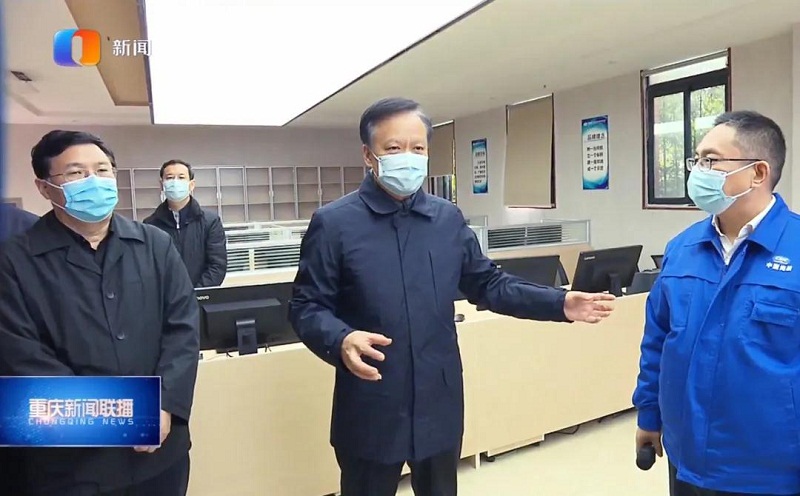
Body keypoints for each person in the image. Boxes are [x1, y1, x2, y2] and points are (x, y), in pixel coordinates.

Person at [289, 97, 617, 496]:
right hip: (371, 402)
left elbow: (489, 284)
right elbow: (306, 306)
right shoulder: (335, 224)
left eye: (418, 148)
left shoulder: (446, 219)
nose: (408, 158)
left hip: (438, 400)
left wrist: (558, 303)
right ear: (368, 155)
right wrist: (340, 339)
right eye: (393, 148)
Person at [0, 130, 200, 496]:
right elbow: (20, 355)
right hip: (70, 464)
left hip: (160, 453)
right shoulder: (14, 260)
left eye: (103, 170)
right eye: (76, 173)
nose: (94, 181)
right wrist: (122, 418)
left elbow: (183, 330)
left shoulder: (155, 245)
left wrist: (164, 404)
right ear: (44, 188)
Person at [633, 111, 800, 496]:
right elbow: (658, 342)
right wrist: (649, 414)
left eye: (711, 160)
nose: (698, 171)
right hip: (687, 457)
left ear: (758, 172)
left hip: (769, 469)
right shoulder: (682, 249)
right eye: (696, 160)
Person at [143, 159, 227, 288]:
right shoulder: (150, 225)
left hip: (201, 296)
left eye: (181, 177)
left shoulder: (210, 221)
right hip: (166, 298)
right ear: (162, 184)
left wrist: (196, 294)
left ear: (191, 185)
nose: (175, 182)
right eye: (169, 178)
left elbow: (217, 265)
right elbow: (149, 268)